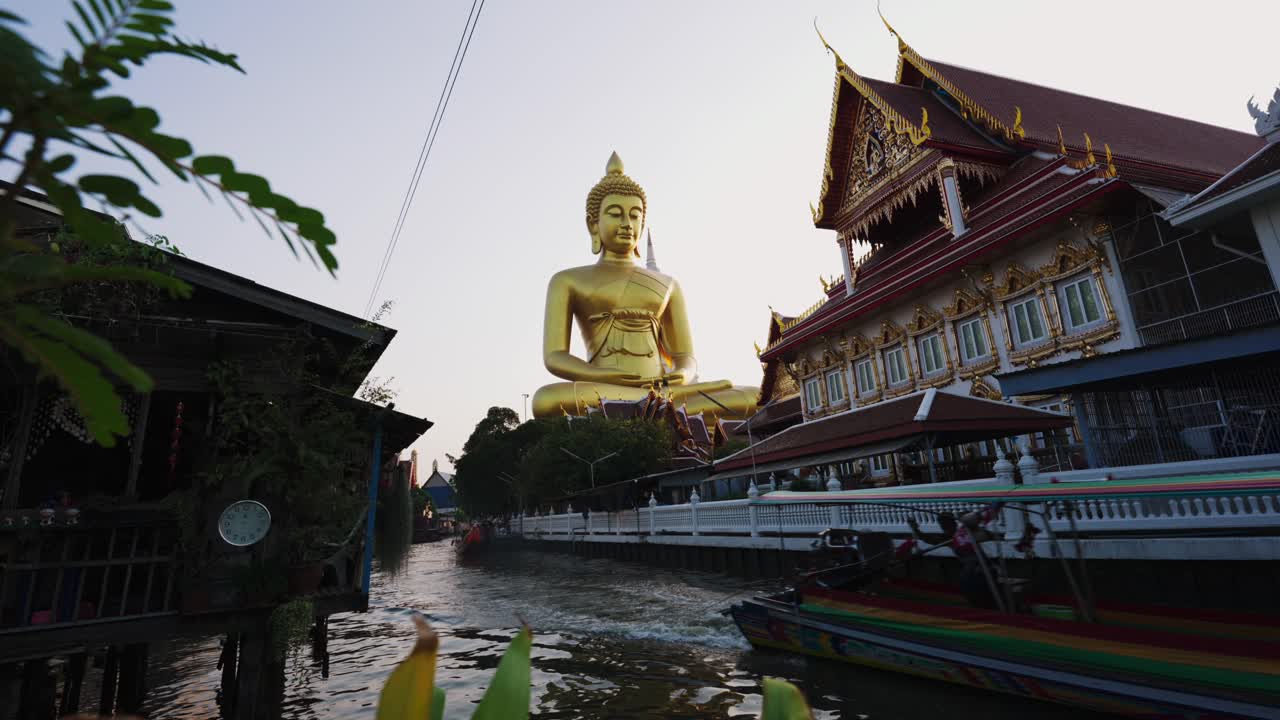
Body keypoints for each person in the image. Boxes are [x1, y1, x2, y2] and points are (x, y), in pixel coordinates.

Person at [907, 511, 998, 609]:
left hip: (983, 568)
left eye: (947, 524)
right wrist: (915, 528)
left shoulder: (965, 531)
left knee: (987, 594)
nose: (944, 527)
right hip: (970, 571)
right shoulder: (947, 538)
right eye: (943, 525)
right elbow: (927, 538)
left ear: (953, 523)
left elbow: (987, 533)